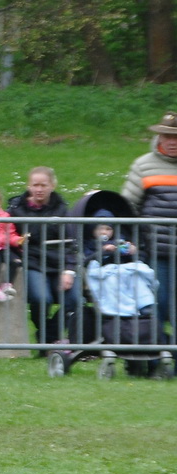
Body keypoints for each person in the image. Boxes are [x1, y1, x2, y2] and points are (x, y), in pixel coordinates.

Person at [8, 168, 81, 350]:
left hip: (59, 264)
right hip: (32, 263)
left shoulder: (62, 210)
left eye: (43, 185)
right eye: (35, 185)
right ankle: (48, 338)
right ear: (28, 186)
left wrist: (69, 270)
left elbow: (73, 243)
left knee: (75, 300)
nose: (39, 189)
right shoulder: (16, 210)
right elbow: (6, 237)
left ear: (52, 186)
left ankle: (48, 336)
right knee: (42, 299)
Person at [119, 111, 177, 338]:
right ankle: (158, 352)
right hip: (155, 250)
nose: (172, 142)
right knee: (158, 302)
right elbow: (127, 207)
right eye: (167, 136)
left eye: (176, 137)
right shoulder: (143, 165)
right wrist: (134, 240)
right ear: (159, 137)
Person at [85, 217, 159, 359]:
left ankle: (145, 304)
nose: (104, 232)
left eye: (108, 229)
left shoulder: (121, 242)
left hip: (126, 273)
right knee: (113, 281)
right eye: (100, 228)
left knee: (138, 278)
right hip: (105, 275)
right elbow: (86, 262)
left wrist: (133, 251)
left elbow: (139, 259)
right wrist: (102, 252)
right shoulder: (89, 244)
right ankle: (119, 310)